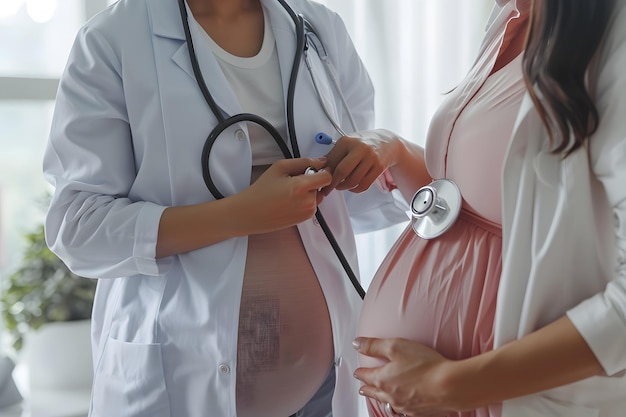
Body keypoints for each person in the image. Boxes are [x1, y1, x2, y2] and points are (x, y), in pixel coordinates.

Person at [42, 0, 409, 416]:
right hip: (177, 382)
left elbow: (353, 203)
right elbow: (78, 228)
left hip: (324, 390)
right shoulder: (111, 39)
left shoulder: (318, 27)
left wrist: (380, 153)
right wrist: (237, 216)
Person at [349, 0, 626, 416]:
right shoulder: (512, 16)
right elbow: (490, 202)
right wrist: (398, 152)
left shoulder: (613, 34)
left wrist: (457, 384)